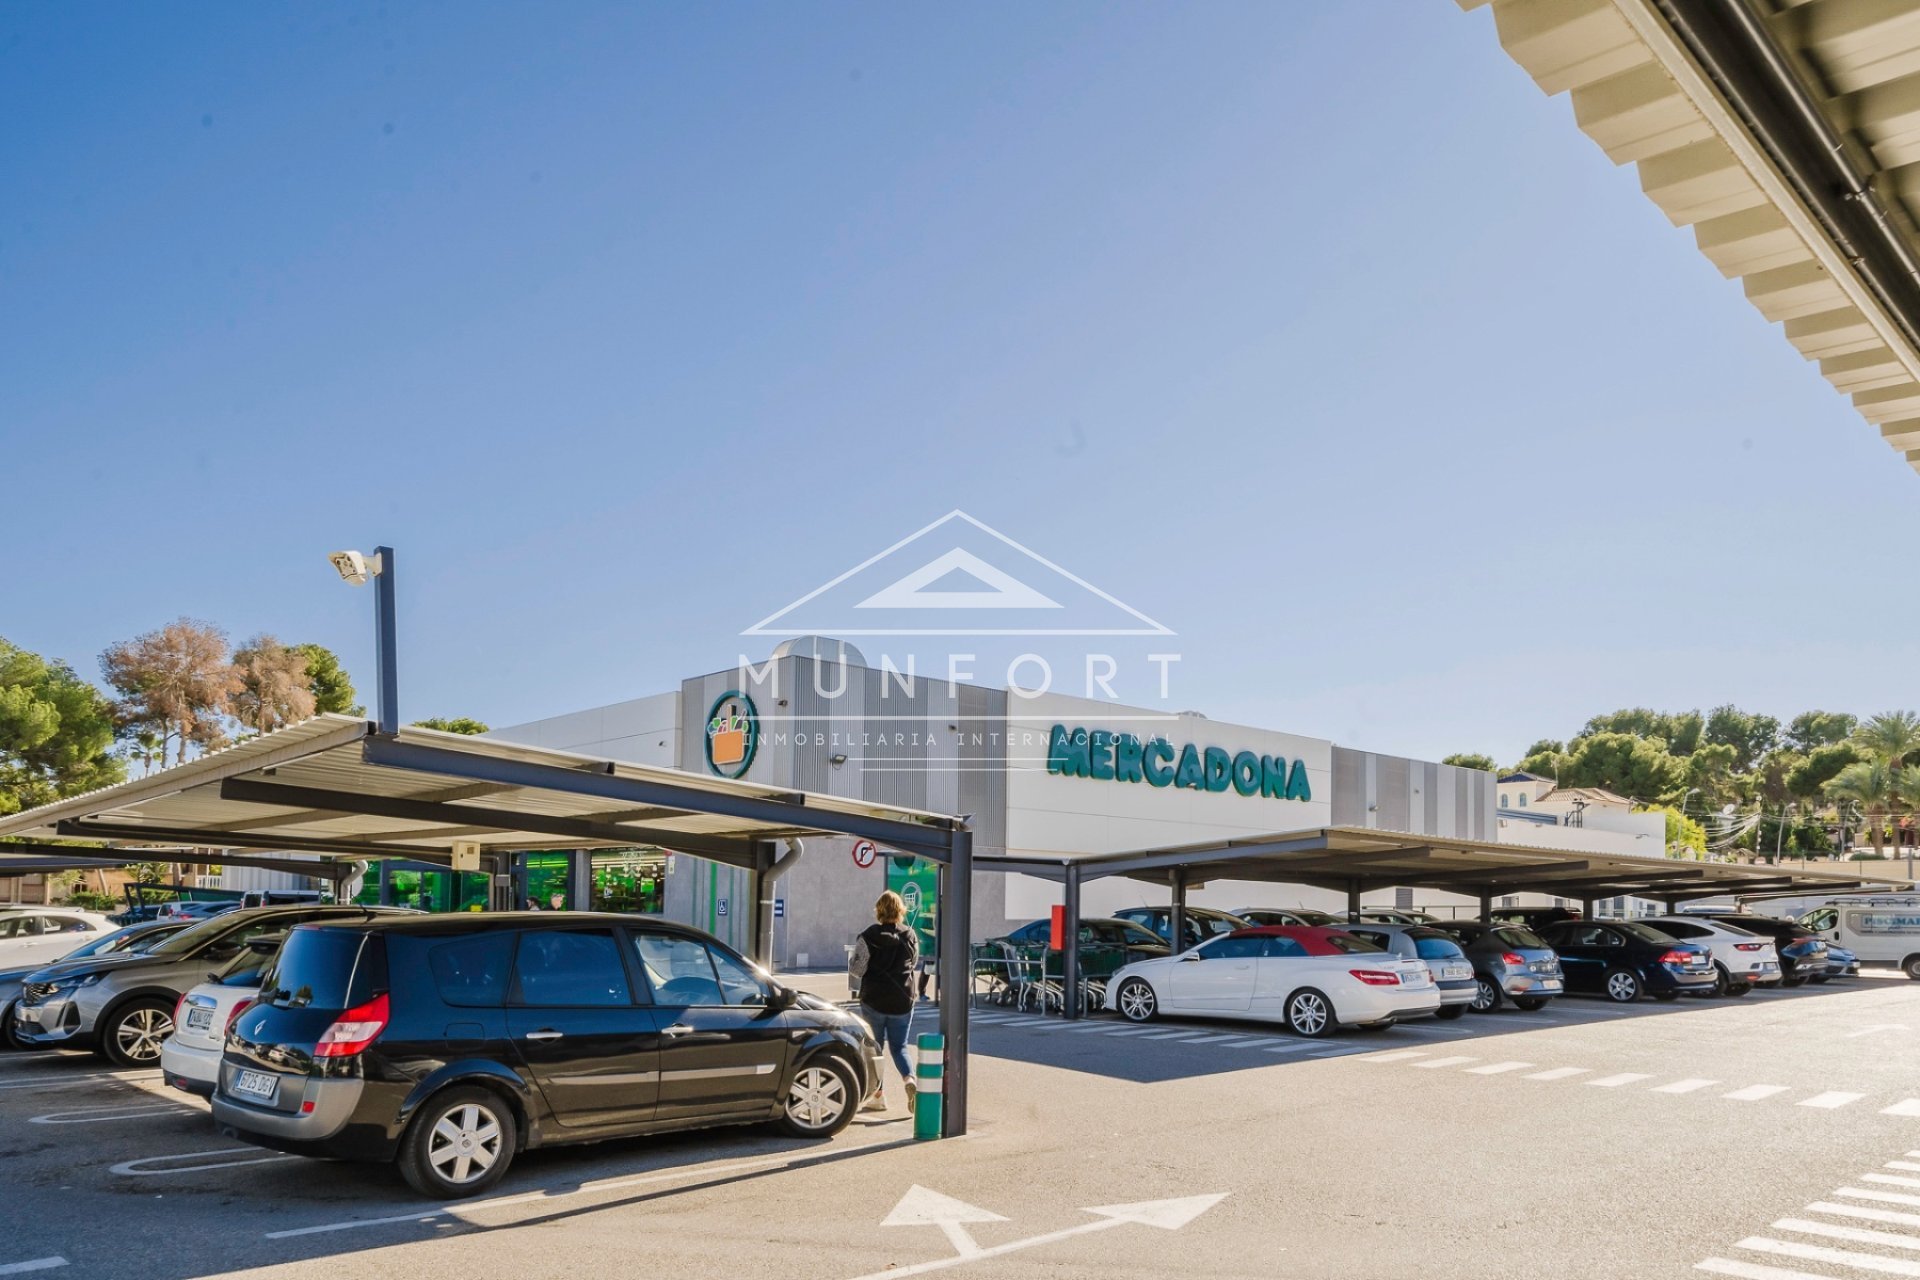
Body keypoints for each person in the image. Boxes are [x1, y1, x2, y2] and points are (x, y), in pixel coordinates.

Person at [849, 890, 918, 1114]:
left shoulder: (867, 936)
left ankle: (878, 1096)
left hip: (874, 1000)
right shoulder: (909, 935)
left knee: (875, 1049)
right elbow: (913, 963)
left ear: (879, 910)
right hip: (902, 1000)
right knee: (900, 1047)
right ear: (900, 910)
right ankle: (909, 1079)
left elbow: (857, 970)